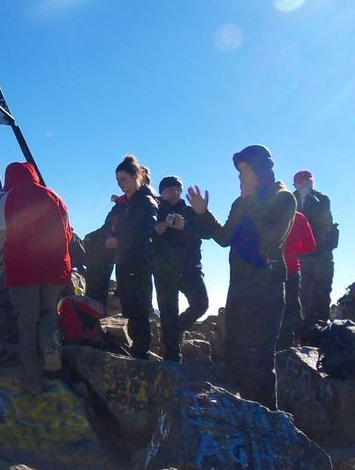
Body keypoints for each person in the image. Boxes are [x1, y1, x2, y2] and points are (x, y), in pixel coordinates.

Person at [188, 144, 296, 410]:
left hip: (267, 289)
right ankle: (247, 415)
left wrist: (251, 201)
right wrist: (203, 214)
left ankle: (268, 421)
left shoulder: (284, 198)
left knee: (260, 360)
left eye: (243, 172)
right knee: (236, 354)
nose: (239, 179)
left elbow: (271, 240)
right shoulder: (241, 202)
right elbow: (225, 238)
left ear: (259, 170)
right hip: (239, 288)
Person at [0, 162, 72, 389]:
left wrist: (0, 250)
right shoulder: (53, 195)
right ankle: (52, 359)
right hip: (55, 267)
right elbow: (68, 231)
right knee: (48, 314)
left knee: (26, 322)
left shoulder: (9, 198)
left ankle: (32, 381)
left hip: (23, 268)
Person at [102, 155, 158, 359]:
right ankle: (138, 350)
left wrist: (118, 241)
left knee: (138, 307)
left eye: (124, 180)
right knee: (129, 306)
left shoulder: (146, 200)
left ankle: (140, 353)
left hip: (139, 260)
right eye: (118, 181)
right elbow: (110, 225)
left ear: (137, 176)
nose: (121, 185)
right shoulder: (125, 203)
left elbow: (145, 228)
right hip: (125, 261)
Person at [153, 176, 209, 362]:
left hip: (189, 268)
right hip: (163, 270)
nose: (174, 192)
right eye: (169, 189)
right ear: (161, 192)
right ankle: (172, 359)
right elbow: (142, 235)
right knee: (167, 313)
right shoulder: (154, 210)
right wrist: (157, 230)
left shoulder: (189, 211)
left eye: (177, 189)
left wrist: (184, 226)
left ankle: (176, 329)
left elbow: (204, 232)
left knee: (201, 304)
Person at [293, 170, 337, 328]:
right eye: (303, 183)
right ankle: (300, 331)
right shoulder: (290, 200)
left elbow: (324, 223)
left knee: (322, 293)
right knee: (302, 294)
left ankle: (320, 332)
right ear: (296, 185)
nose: (308, 186)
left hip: (322, 256)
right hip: (301, 257)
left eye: (310, 182)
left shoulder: (322, 200)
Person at [278, 211, 316, 351]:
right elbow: (310, 246)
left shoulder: (264, 213)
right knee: (291, 308)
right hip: (292, 269)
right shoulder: (299, 217)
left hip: (269, 271)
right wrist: (294, 248)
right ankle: (288, 346)